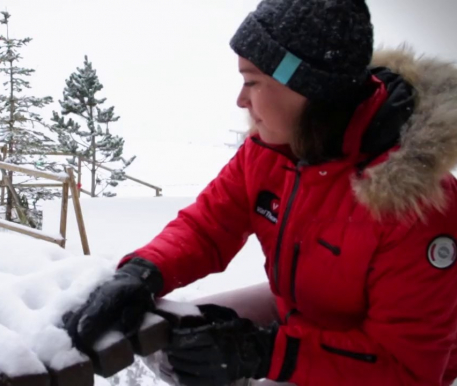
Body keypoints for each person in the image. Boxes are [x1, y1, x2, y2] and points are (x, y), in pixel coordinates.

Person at [63, 0, 457, 385]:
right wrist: (143, 272)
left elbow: (407, 369)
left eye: (252, 81)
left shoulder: (416, 202)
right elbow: (208, 226)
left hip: (375, 363)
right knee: (173, 347)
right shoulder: (270, 151)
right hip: (300, 310)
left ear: (305, 86)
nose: (241, 100)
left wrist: (263, 353)